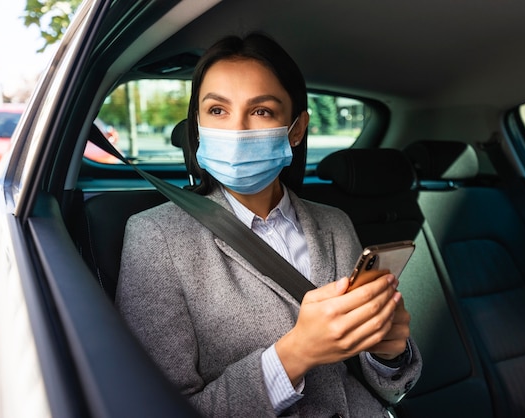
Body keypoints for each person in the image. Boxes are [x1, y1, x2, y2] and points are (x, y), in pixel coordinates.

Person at [116, 32, 422, 417]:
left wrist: (388, 354)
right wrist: (294, 354)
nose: (238, 129)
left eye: (261, 111)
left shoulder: (334, 224)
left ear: (296, 129)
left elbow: (382, 384)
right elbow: (157, 408)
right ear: (197, 122)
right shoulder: (154, 238)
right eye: (217, 111)